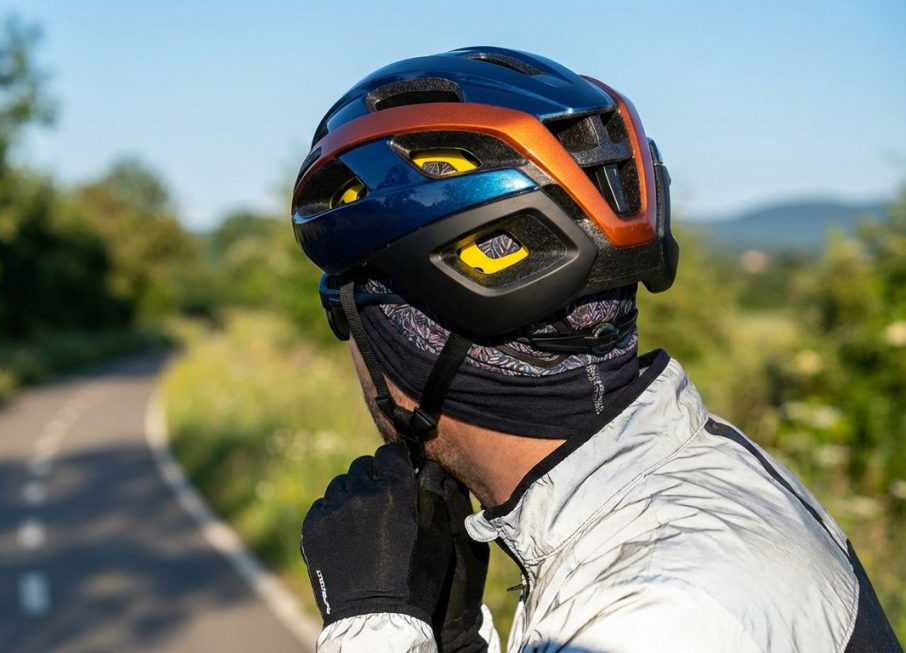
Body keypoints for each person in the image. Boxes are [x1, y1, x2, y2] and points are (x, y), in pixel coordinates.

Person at [291, 47, 901, 652]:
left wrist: (371, 628)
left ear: (398, 335)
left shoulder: (653, 617)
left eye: (341, 317)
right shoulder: (700, 487)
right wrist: (453, 640)